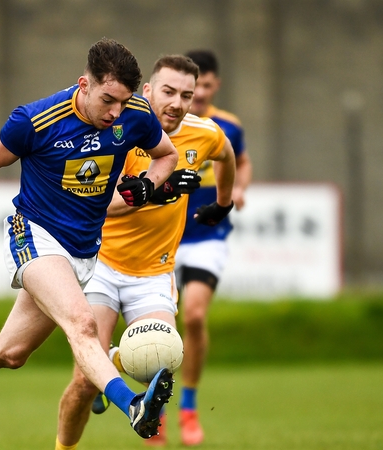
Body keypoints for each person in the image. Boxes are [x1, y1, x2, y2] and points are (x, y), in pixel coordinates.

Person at [0, 38, 179, 442]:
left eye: (123, 101)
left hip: (83, 250)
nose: (115, 112)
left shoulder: (134, 115)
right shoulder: (35, 119)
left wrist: (146, 187)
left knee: (11, 352)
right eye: (108, 100)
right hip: (33, 233)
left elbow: (166, 156)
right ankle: (132, 405)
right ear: (84, 84)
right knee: (82, 324)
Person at [57, 55, 236, 449]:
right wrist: (162, 189)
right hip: (99, 263)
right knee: (86, 381)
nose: (176, 102)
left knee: (159, 367)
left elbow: (226, 157)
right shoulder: (114, 128)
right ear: (148, 91)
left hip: (154, 273)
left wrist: (222, 204)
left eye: (186, 95)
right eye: (168, 92)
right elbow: (102, 203)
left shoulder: (204, 133)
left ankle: (126, 375)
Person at [174, 49, 253, 446]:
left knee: (194, 316)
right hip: (162, 236)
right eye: (194, 87)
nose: (200, 93)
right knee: (155, 327)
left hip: (207, 233)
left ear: (215, 85)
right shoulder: (160, 125)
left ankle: (187, 407)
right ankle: (145, 397)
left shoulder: (227, 126)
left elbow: (240, 160)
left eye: (206, 85)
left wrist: (237, 188)